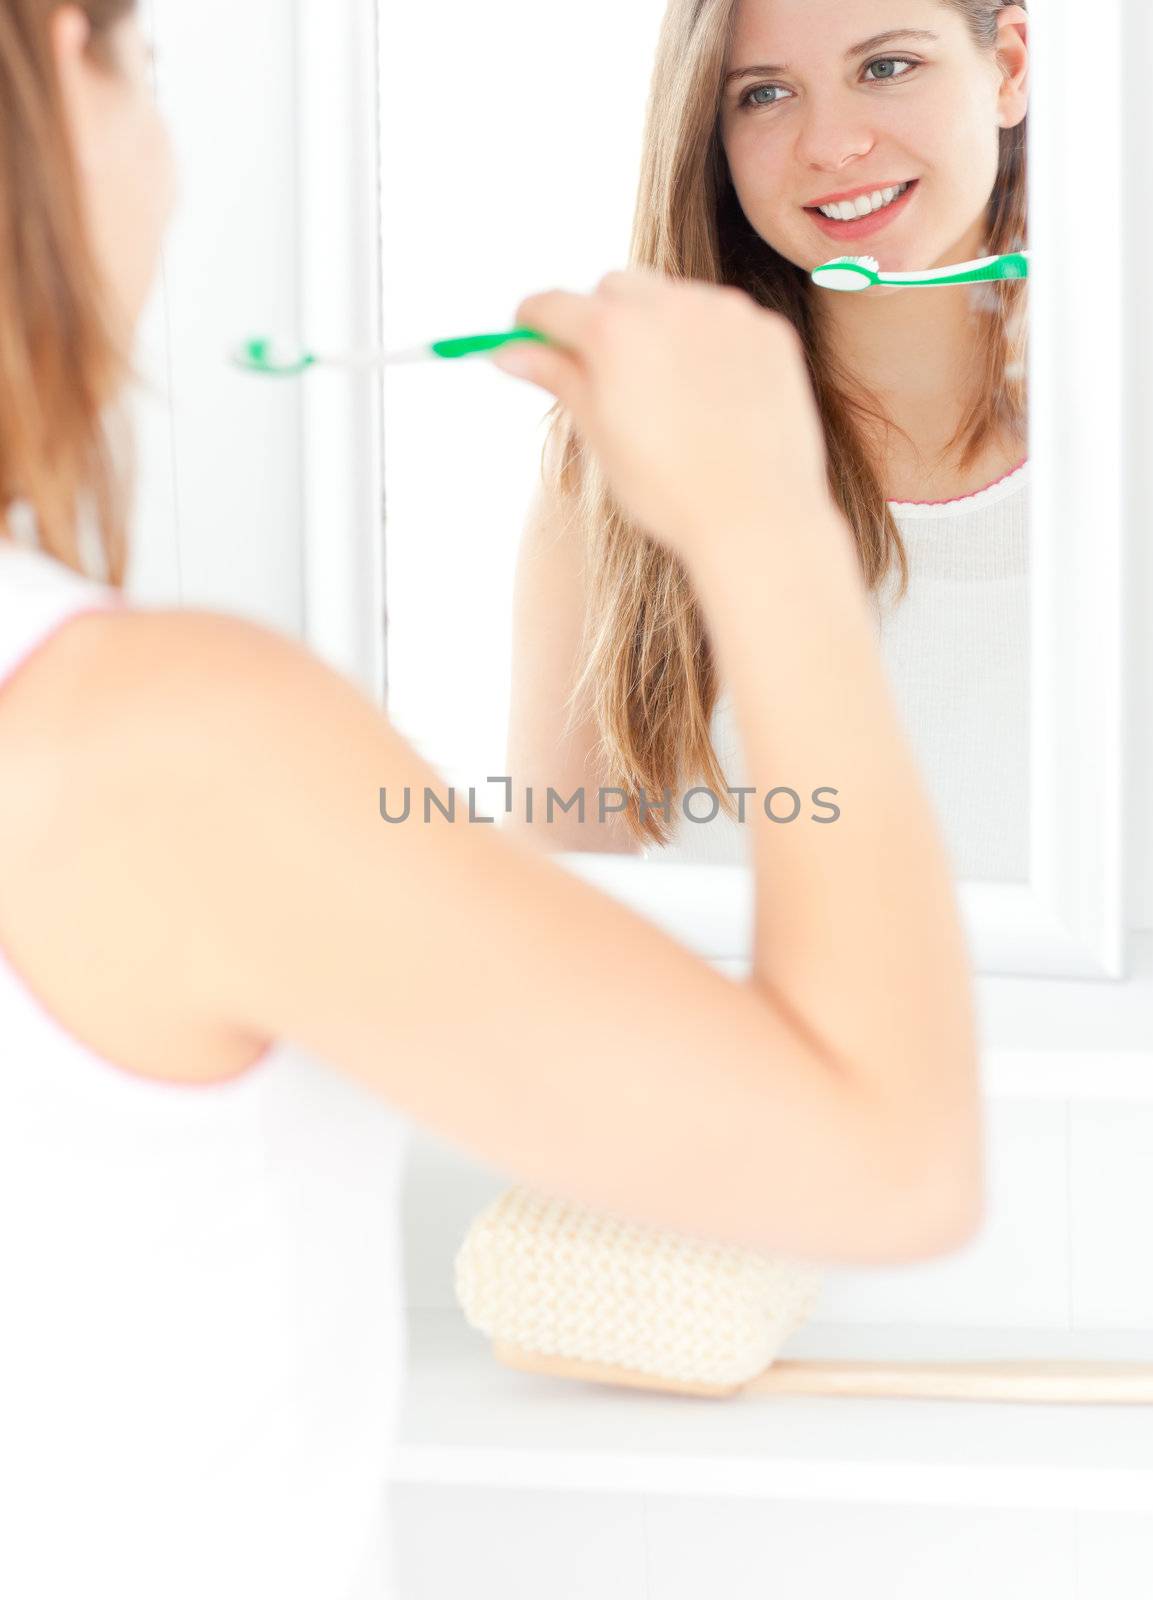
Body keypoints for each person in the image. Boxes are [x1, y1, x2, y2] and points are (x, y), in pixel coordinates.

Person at [0, 3, 983, 1596]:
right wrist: (764, 525)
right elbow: (895, 1161)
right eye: (154, 71)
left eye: (888, 64)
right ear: (61, 57)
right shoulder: (154, 744)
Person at [505, 0, 1030, 877]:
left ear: (1009, 66)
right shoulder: (619, 451)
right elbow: (560, 882)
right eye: (765, 94)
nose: (832, 144)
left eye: (887, 68)